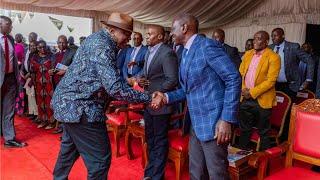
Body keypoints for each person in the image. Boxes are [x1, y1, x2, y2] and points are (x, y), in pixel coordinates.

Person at [51, 12, 151, 180]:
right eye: (125, 33)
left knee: (68, 151)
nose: (128, 38)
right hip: (82, 108)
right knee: (100, 161)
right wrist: (148, 98)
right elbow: (114, 89)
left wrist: (127, 82)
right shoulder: (103, 46)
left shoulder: (97, 39)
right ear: (112, 30)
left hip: (68, 104)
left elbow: (98, 77)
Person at [151, 13, 241, 180]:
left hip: (215, 124)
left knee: (217, 174)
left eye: (173, 29)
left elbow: (233, 78)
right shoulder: (185, 52)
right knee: (196, 173)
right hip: (195, 124)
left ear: (184, 28)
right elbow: (188, 89)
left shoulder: (207, 46)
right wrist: (166, 97)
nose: (170, 33)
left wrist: (226, 119)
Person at [139, 25, 178, 180]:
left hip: (161, 105)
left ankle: (157, 176)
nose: (146, 36)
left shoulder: (167, 53)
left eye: (150, 34)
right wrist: (142, 79)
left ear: (161, 36)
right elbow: (148, 75)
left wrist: (158, 91)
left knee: (160, 141)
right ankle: (150, 174)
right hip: (148, 103)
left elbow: (172, 79)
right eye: (146, 34)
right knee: (150, 140)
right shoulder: (149, 52)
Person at [238, 31, 281, 151]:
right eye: (254, 38)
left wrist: (251, 92)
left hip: (262, 100)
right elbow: (240, 74)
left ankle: (263, 163)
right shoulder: (247, 54)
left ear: (266, 42)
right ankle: (242, 158)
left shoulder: (274, 57)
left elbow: (271, 81)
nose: (255, 41)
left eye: (259, 39)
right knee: (245, 130)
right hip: (246, 98)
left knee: (263, 132)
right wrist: (243, 90)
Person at [270, 27, 314, 141]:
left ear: (283, 36)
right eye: (272, 36)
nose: (273, 38)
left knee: (287, 113)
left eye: (276, 35)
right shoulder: (270, 48)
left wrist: (308, 80)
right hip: (273, 86)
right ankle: (272, 136)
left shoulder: (293, 47)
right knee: (273, 111)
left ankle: (285, 140)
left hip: (290, 85)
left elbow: (309, 60)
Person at [0, 15, 27, 148]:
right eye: (8, 24)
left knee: (8, 109)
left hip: (10, 79)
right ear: (0, 25)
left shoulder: (10, 39)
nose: (11, 27)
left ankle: (9, 138)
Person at [30, 40, 55, 129]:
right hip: (38, 83)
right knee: (41, 102)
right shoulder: (34, 57)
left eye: (44, 47)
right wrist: (33, 82)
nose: (42, 49)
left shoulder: (51, 56)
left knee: (49, 102)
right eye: (40, 47)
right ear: (37, 48)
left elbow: (54, 69)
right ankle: (43, 120)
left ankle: (51, 122)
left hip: (49, 83)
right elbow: (32, 71)